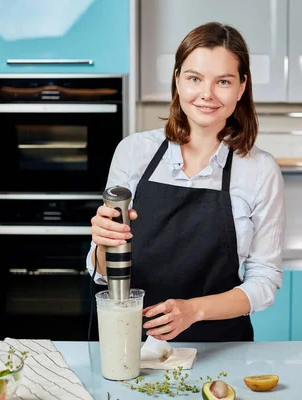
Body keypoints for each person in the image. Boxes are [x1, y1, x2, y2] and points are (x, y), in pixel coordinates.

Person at [87, 21, 285, 342]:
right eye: (195, 78)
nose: (206, 94)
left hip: (220, 347)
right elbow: (104, 273)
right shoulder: (134, 151)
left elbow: (263, 282)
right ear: (177, 80)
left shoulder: (260, 170)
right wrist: (104, 245)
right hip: (130, 343)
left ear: (241, 87)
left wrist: (194, 310)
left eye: (223, 81)